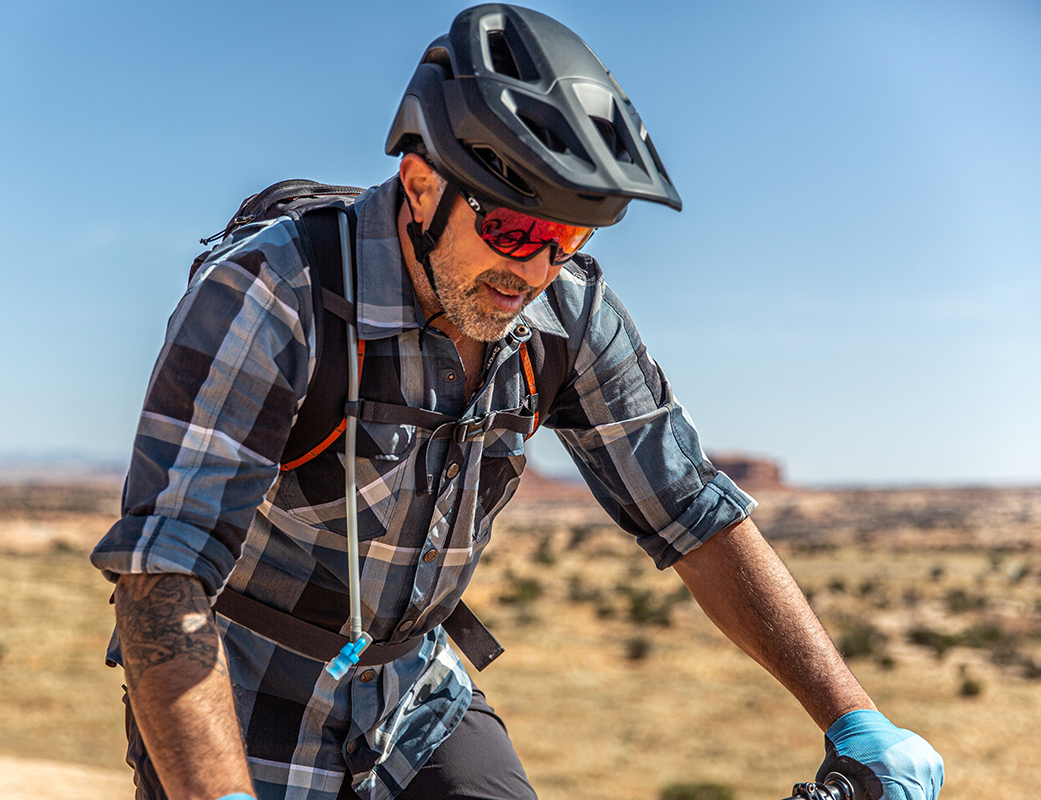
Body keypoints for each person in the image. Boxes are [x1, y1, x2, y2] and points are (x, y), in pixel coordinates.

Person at [90, 5, 944, 800]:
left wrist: (853, 716)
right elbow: (163, 574)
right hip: (238, 692)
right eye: (513, 232)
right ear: (421, 183)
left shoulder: (563, 310)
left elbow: (691, 511)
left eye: (569, 241)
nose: (536, 273)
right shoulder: (277, 294)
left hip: (410, 696)